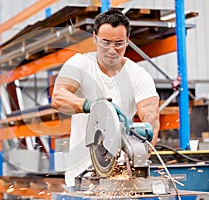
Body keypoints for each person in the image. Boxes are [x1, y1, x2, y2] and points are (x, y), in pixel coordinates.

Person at [51, 8, 160, 188]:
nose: (111, 50)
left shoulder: (139, 75)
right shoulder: (80, 64)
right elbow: (58, 97)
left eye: (118, 43)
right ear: (94, 38)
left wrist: (142, 149)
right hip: (81, 173)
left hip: (123, 174)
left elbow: (151, 118)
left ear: (127, 41)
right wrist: (90, 105)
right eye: (105, 42)